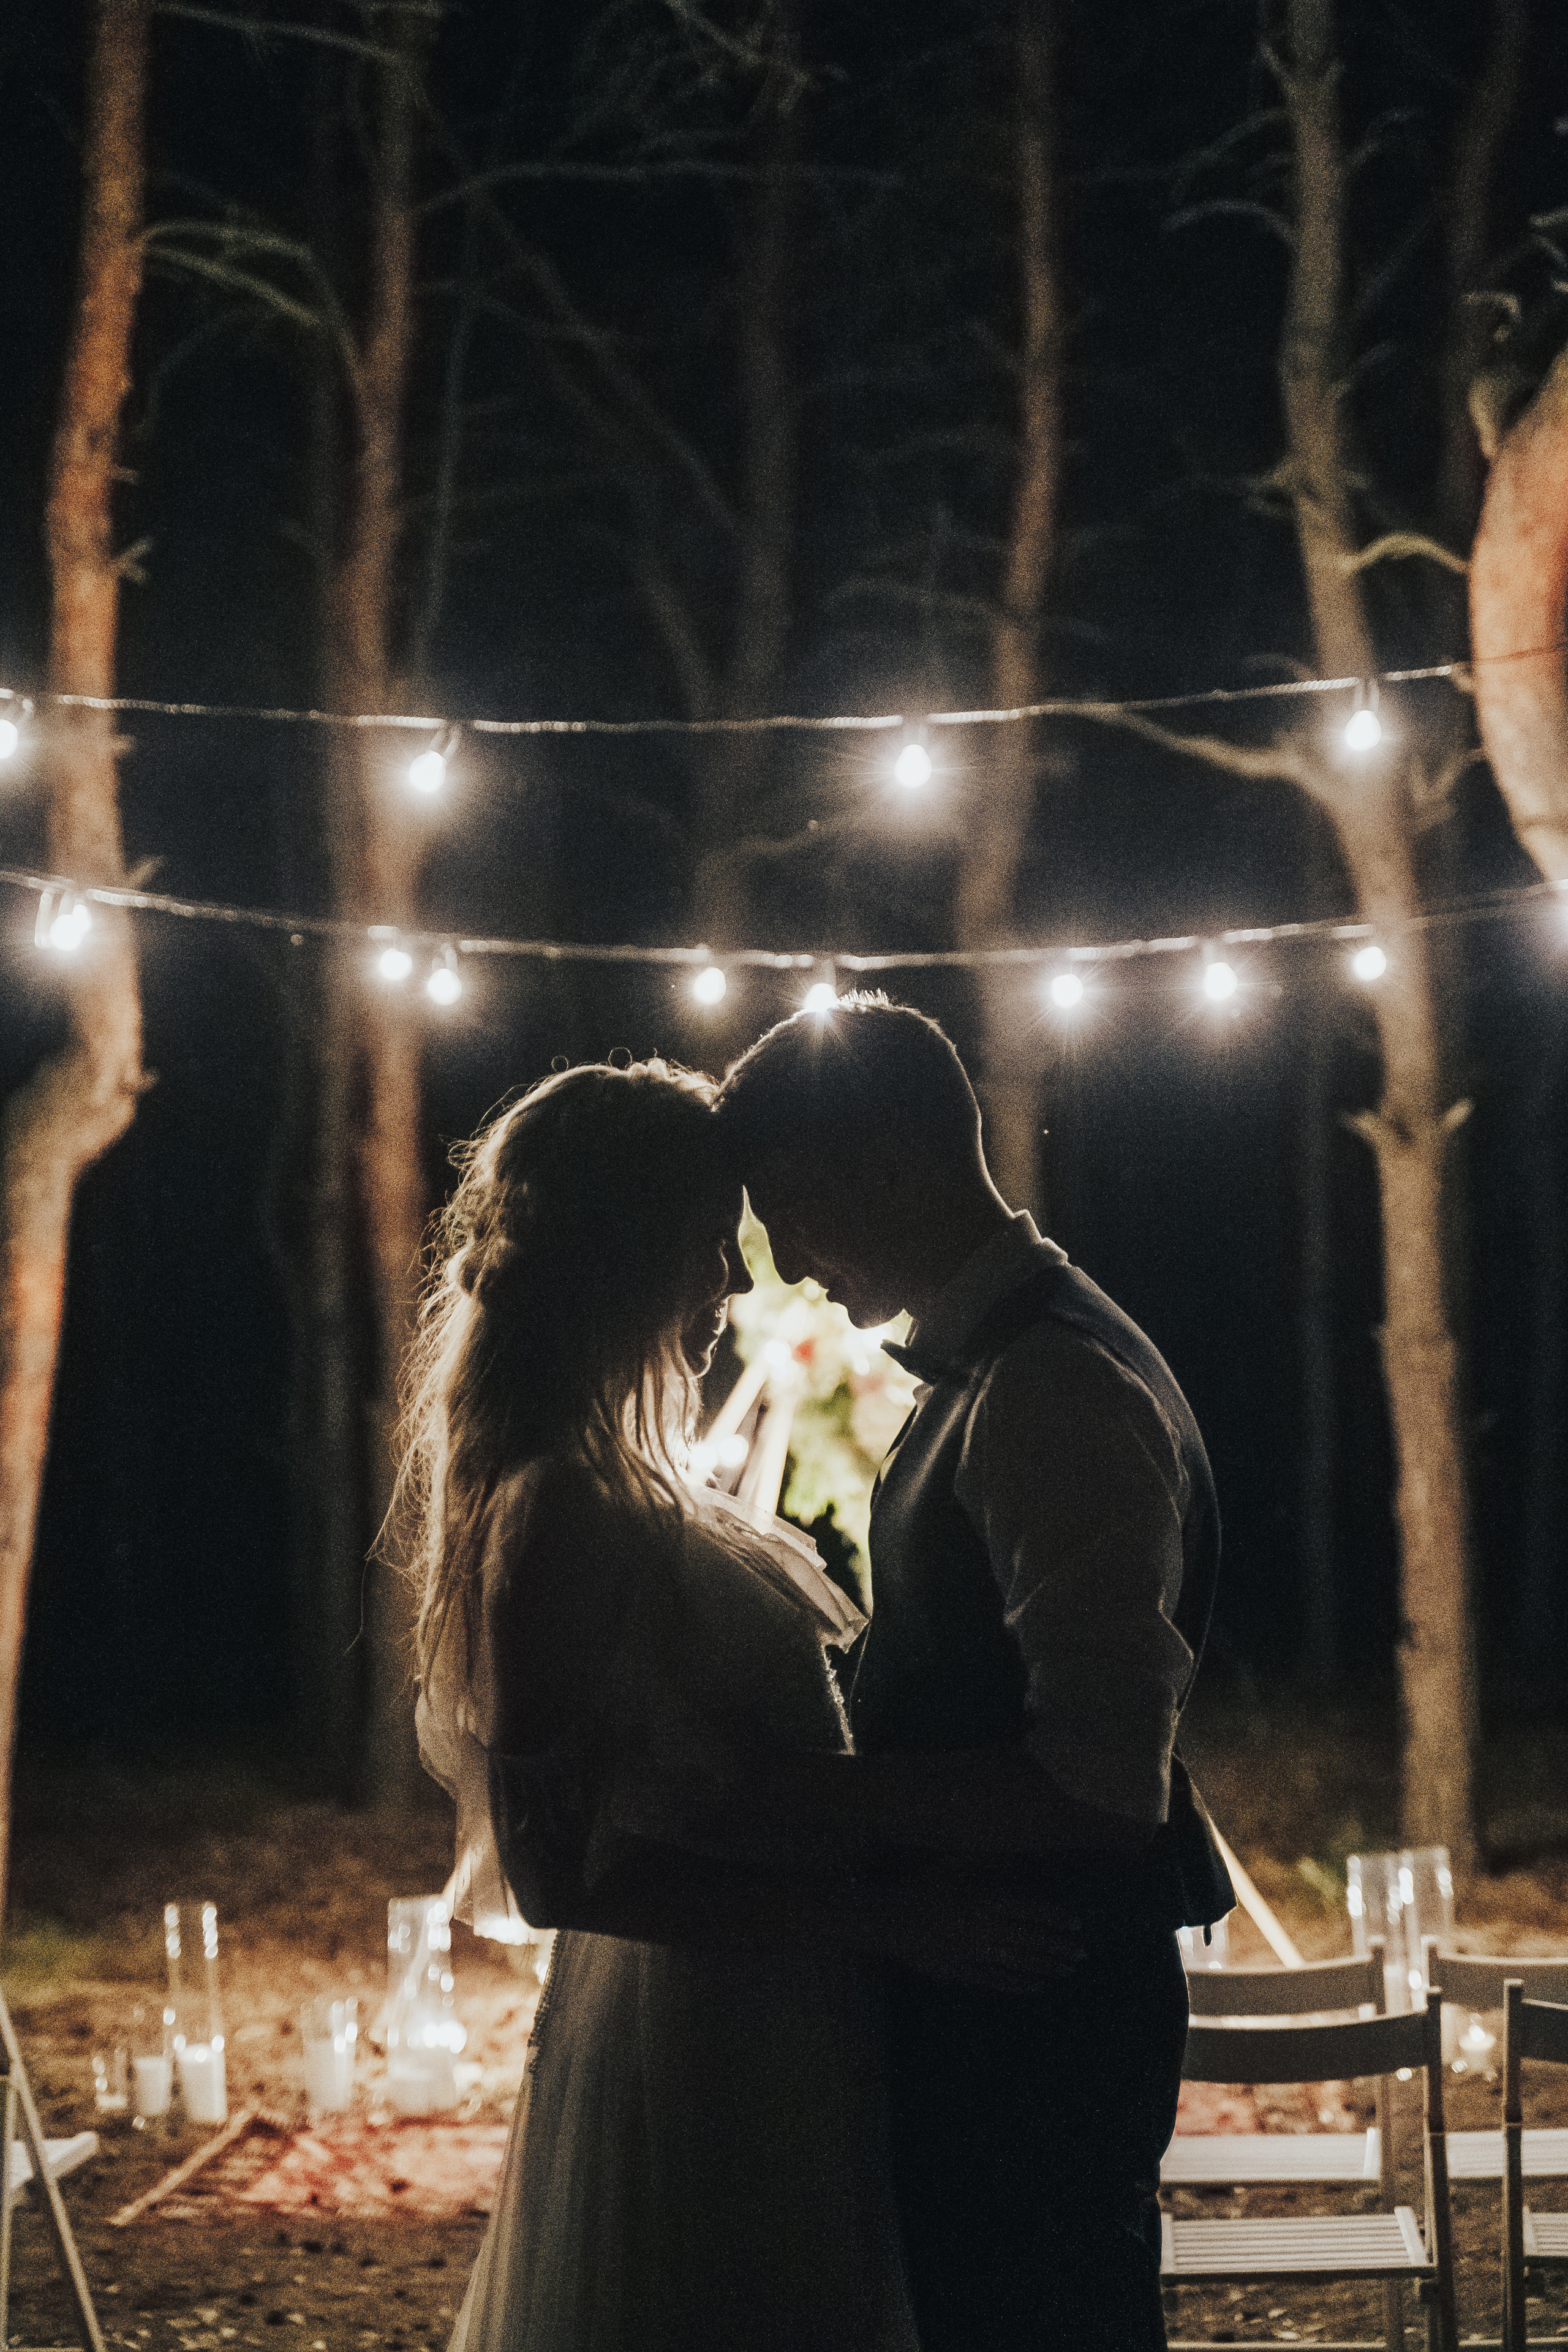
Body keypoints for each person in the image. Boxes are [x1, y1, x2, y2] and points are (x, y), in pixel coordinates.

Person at [399, 1058, 1071, 2352]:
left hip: (780, 2008)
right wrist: (881, 1919)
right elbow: (558, 1879)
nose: (733, 1285)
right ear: (623, 1253)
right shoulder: (556, 1509)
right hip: (696, 2044)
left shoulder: (631, 1482)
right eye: (710, 1247)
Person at [712, 993, 1235, 2352]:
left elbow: (1098, 1789)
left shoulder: (1050, 1391)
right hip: (999, 2008)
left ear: (880, 1169)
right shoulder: (999, 1373)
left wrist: (794, 1798)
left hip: (1036, 2027)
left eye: (787, 1211)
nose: (784, 1267)